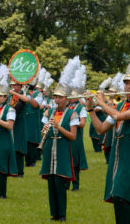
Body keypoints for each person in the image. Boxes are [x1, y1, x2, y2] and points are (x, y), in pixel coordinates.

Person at [88, 33, 130, 224]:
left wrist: (102, 101)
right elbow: (100, 129)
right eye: (126, 82)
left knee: (122, 196)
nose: (127, 86)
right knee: (117, 197)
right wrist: (90, 108)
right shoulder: (120, 105)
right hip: (118, 159)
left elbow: (118, 117)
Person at [40, 84, 78, 222]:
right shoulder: (49, 112)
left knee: (59, 183)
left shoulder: (72, 114)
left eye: (60, 97)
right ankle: (54, 214)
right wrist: (44, 130)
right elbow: (43, 131)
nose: (57, 100)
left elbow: (73, 136)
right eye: (55, 97)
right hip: (49, 149)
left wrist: (59, 127)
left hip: (62, 150)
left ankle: (62, 214)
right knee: (51, 182)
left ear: (67, 99)